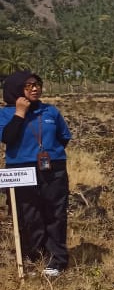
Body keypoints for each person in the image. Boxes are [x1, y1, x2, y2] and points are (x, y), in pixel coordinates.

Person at [0, 71, 71, 277]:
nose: (35, 88)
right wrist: (20, 113)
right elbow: (8, 138)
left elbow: (63, 136)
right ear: (15, 88)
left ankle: (57, 259)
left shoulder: (50, 111)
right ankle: (34, 255)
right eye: (28, 85)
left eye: (37, 84)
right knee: (28, 214)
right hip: (21, 169)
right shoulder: (5, 114)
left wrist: (50, 152)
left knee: (55, 213)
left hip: (52, 168)